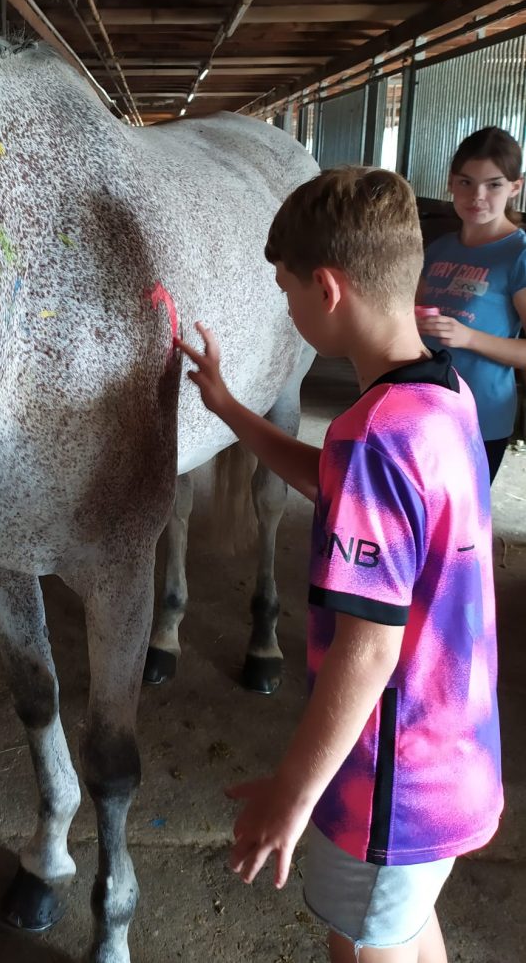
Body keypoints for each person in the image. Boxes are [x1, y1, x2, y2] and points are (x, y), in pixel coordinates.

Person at [177, 167, 502, 963]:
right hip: (454, 753)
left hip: (394, 781)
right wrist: (227, 409)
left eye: (285, 293)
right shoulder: (439, 396)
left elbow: (369, 647)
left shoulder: (373, 436)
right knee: (404, 931)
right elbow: (330, 477)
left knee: (361, 949)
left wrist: (295, 791)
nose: (284, 311)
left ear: (326, 289)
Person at [416, 127, 526, 483]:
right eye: (466, 182)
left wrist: (468, 338)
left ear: (515, 187)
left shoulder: (518, 255)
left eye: (493, 184)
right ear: (451, 183)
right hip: (423, 407)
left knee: (455, 529)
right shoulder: (438, 250)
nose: (477, 195)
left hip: (480, 415)